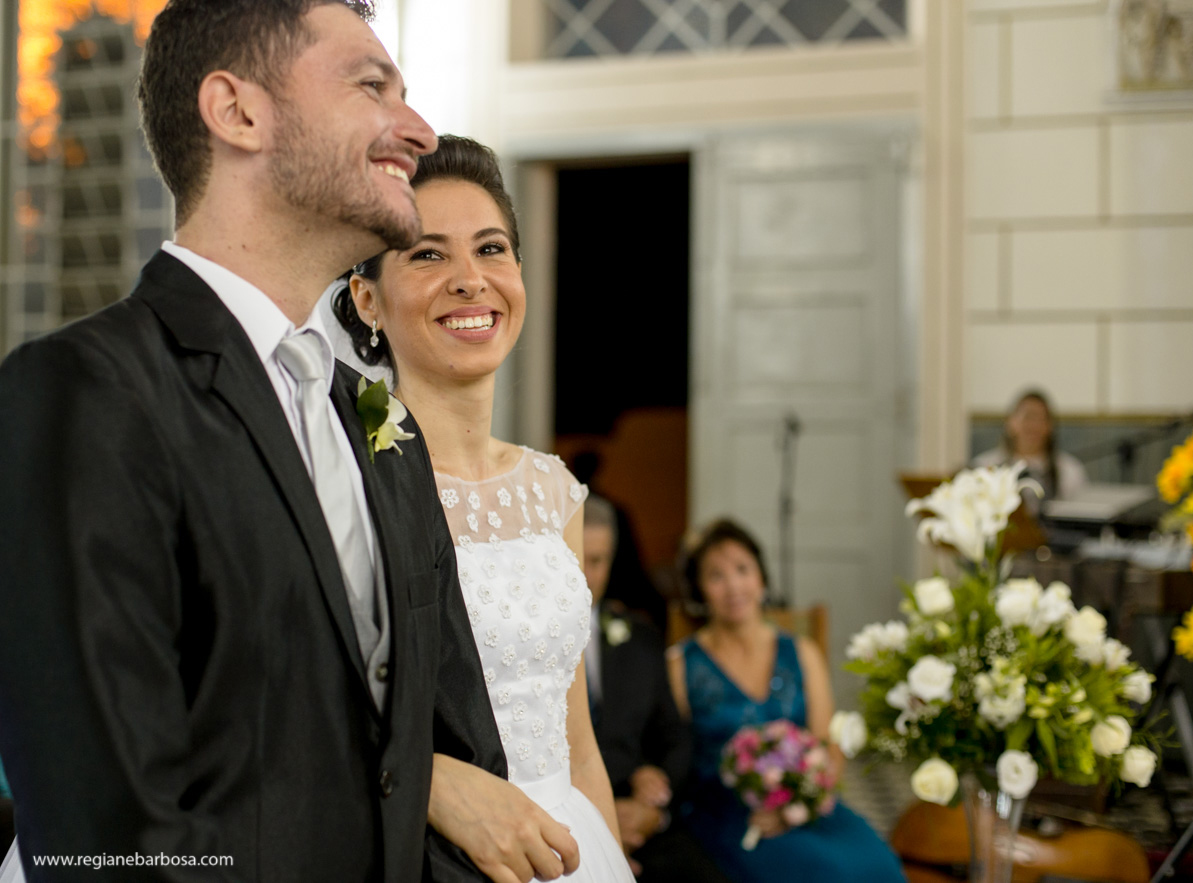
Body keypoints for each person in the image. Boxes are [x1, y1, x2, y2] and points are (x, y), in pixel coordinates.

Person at [0, 3, 506, 881]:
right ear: (238, 112)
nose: (419, 131)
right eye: (371, 86)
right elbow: (107, 841)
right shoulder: (86, 392)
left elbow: (458, 763)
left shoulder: (382, 426)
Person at [334, 135, 631, 882]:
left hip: (571, 847)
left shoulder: (555, 490)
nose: (471, 279)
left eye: (491, 248)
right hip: (420, 852)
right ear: (367, 297)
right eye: (428, 255)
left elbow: (577, 740)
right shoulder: (346, 480)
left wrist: (613, 859)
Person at [666, 519, 905, 883]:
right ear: (700, 589)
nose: (733, 586)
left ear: (761, 578)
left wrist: (798, 805)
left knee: (880, 867)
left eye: (742, 570)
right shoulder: (682, 664)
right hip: (730, 815)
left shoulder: (802, 652)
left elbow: (827, 745)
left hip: (807, 807)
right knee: (827, 874)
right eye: (716, 576)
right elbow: (672, 756)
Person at [582, 497, 732, 883]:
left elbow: (675, 738)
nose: (584, 573)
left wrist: (653, 805)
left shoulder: (642, 639)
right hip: (565, 821)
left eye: (597, 561)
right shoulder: (523, 648)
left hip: (641, 816)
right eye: (575, 555)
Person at [972, 388, 1087, 513]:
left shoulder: (1069, 470)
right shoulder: (985, 468)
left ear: (1050, 427)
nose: (1034, 426)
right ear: (1010, 422)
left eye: (1041, 419)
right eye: (1028, 417)